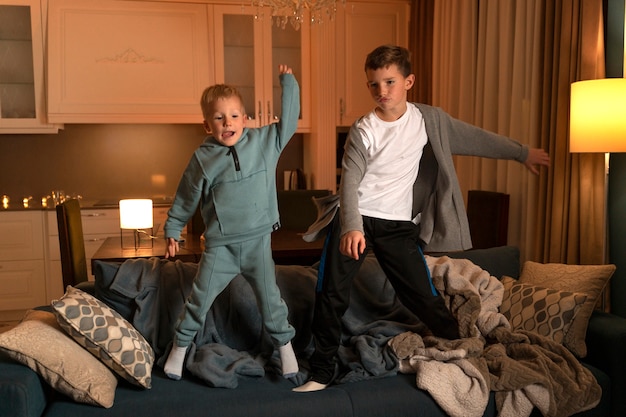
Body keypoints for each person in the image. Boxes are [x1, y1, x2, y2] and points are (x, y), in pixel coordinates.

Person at [293, 45, 550, 392]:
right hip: (354, 218)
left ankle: (461, 346)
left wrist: (522, 153)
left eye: (390, 82)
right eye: (374, 85)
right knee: (331, 293)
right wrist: (351, 226)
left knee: (422, 295)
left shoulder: (429, 120)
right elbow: (350, 180)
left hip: (397, 224)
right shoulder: (364, 128)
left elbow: (477, 139)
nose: (382, 92)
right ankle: (321, 371)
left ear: (408, 81)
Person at [163, 64, 300, 381]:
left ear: (246, 118)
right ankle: (177, 353)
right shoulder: (202, 159)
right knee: (198, 301)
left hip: (258, 243)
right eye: (219, 117)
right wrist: (172, 229)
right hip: (220, 248)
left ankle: (287, 354)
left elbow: (289, 122)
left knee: (271, 302)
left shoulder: (265, 144)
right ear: (207, 125)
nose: (228, 123)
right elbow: (186, 197)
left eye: (235, 115)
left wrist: (288, 84)